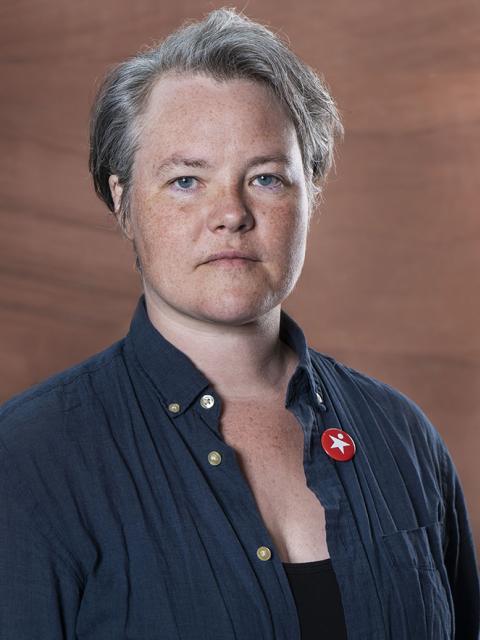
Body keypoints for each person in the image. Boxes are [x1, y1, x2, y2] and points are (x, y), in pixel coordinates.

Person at [0, 7, 478, 639]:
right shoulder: (29, 460)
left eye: (266, 178)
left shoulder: (403, 439)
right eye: (186, 180)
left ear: (310, 195)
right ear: (123, 202)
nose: (231, 213)